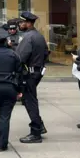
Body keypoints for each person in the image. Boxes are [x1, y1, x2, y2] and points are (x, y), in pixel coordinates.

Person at [15, 11, 48, 144]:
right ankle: (40, 125)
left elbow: (20, 57)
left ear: (28, 23)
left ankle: (36, 132)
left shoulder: (28, 37)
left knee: (30, 101)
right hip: (37, 72)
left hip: (29, 73)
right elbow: (46, 53)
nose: (19, 24)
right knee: (30, 99)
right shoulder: (39, 36)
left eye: (21, 22)